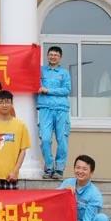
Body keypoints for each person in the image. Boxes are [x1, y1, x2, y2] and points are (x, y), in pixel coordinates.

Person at [0, 90, 30, 190]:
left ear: (12, 104)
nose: (4, 105)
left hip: (11, 175)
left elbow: (23, 151)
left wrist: (15, 171)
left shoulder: (21, 125)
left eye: (7, 102)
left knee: (11, 201)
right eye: (1, 102)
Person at [38, 46, 72, 179]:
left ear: (60, 57)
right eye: (51, 54)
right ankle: (49, 167)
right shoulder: (41, 71)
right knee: (45, 139)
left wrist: (49, 90)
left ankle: (59, 168)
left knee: (62, 139)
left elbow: (67, 90)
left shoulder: (64, 73)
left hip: (61, 109)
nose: (53, 57)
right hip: (45, 108)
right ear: (47, 56)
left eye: (56, 55)